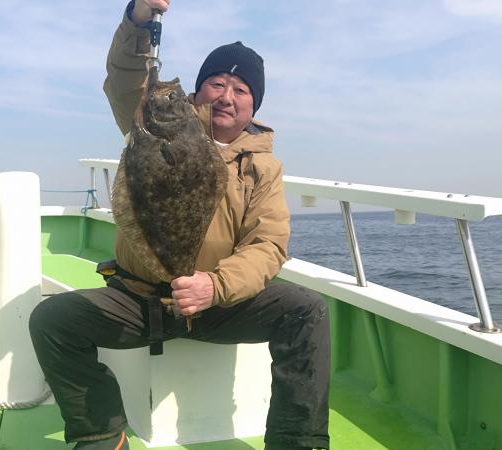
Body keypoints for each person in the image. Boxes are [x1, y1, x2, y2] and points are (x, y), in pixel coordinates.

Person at [29, 1, 331, 449]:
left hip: (217, 305)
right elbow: (124, 79)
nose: (227, 96)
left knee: (307, 311)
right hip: (140, 299)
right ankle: (102, 435)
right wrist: (138, 21)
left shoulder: (264, 168)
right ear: (199, 90)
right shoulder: (149, 124)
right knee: (52, 320)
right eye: (217, 83)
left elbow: (268, 245)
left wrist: (215, 285)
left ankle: (297, 443)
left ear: (254, 105)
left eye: (241, 89)